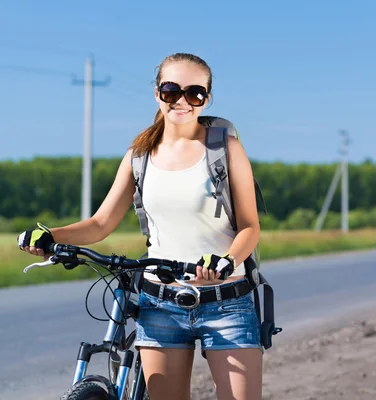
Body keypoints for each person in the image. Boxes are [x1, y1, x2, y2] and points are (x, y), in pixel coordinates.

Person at [17, 52, 263, 400]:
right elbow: (101, 223)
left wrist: (225, 262)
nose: (182, 101)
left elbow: (250, 227)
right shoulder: (140, 154)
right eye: (171, 90)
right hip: (159, 305)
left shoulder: (225, 148)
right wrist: (50, 236)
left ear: (206, 98)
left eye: (194, 93)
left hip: (226, 302)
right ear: (157, 92)